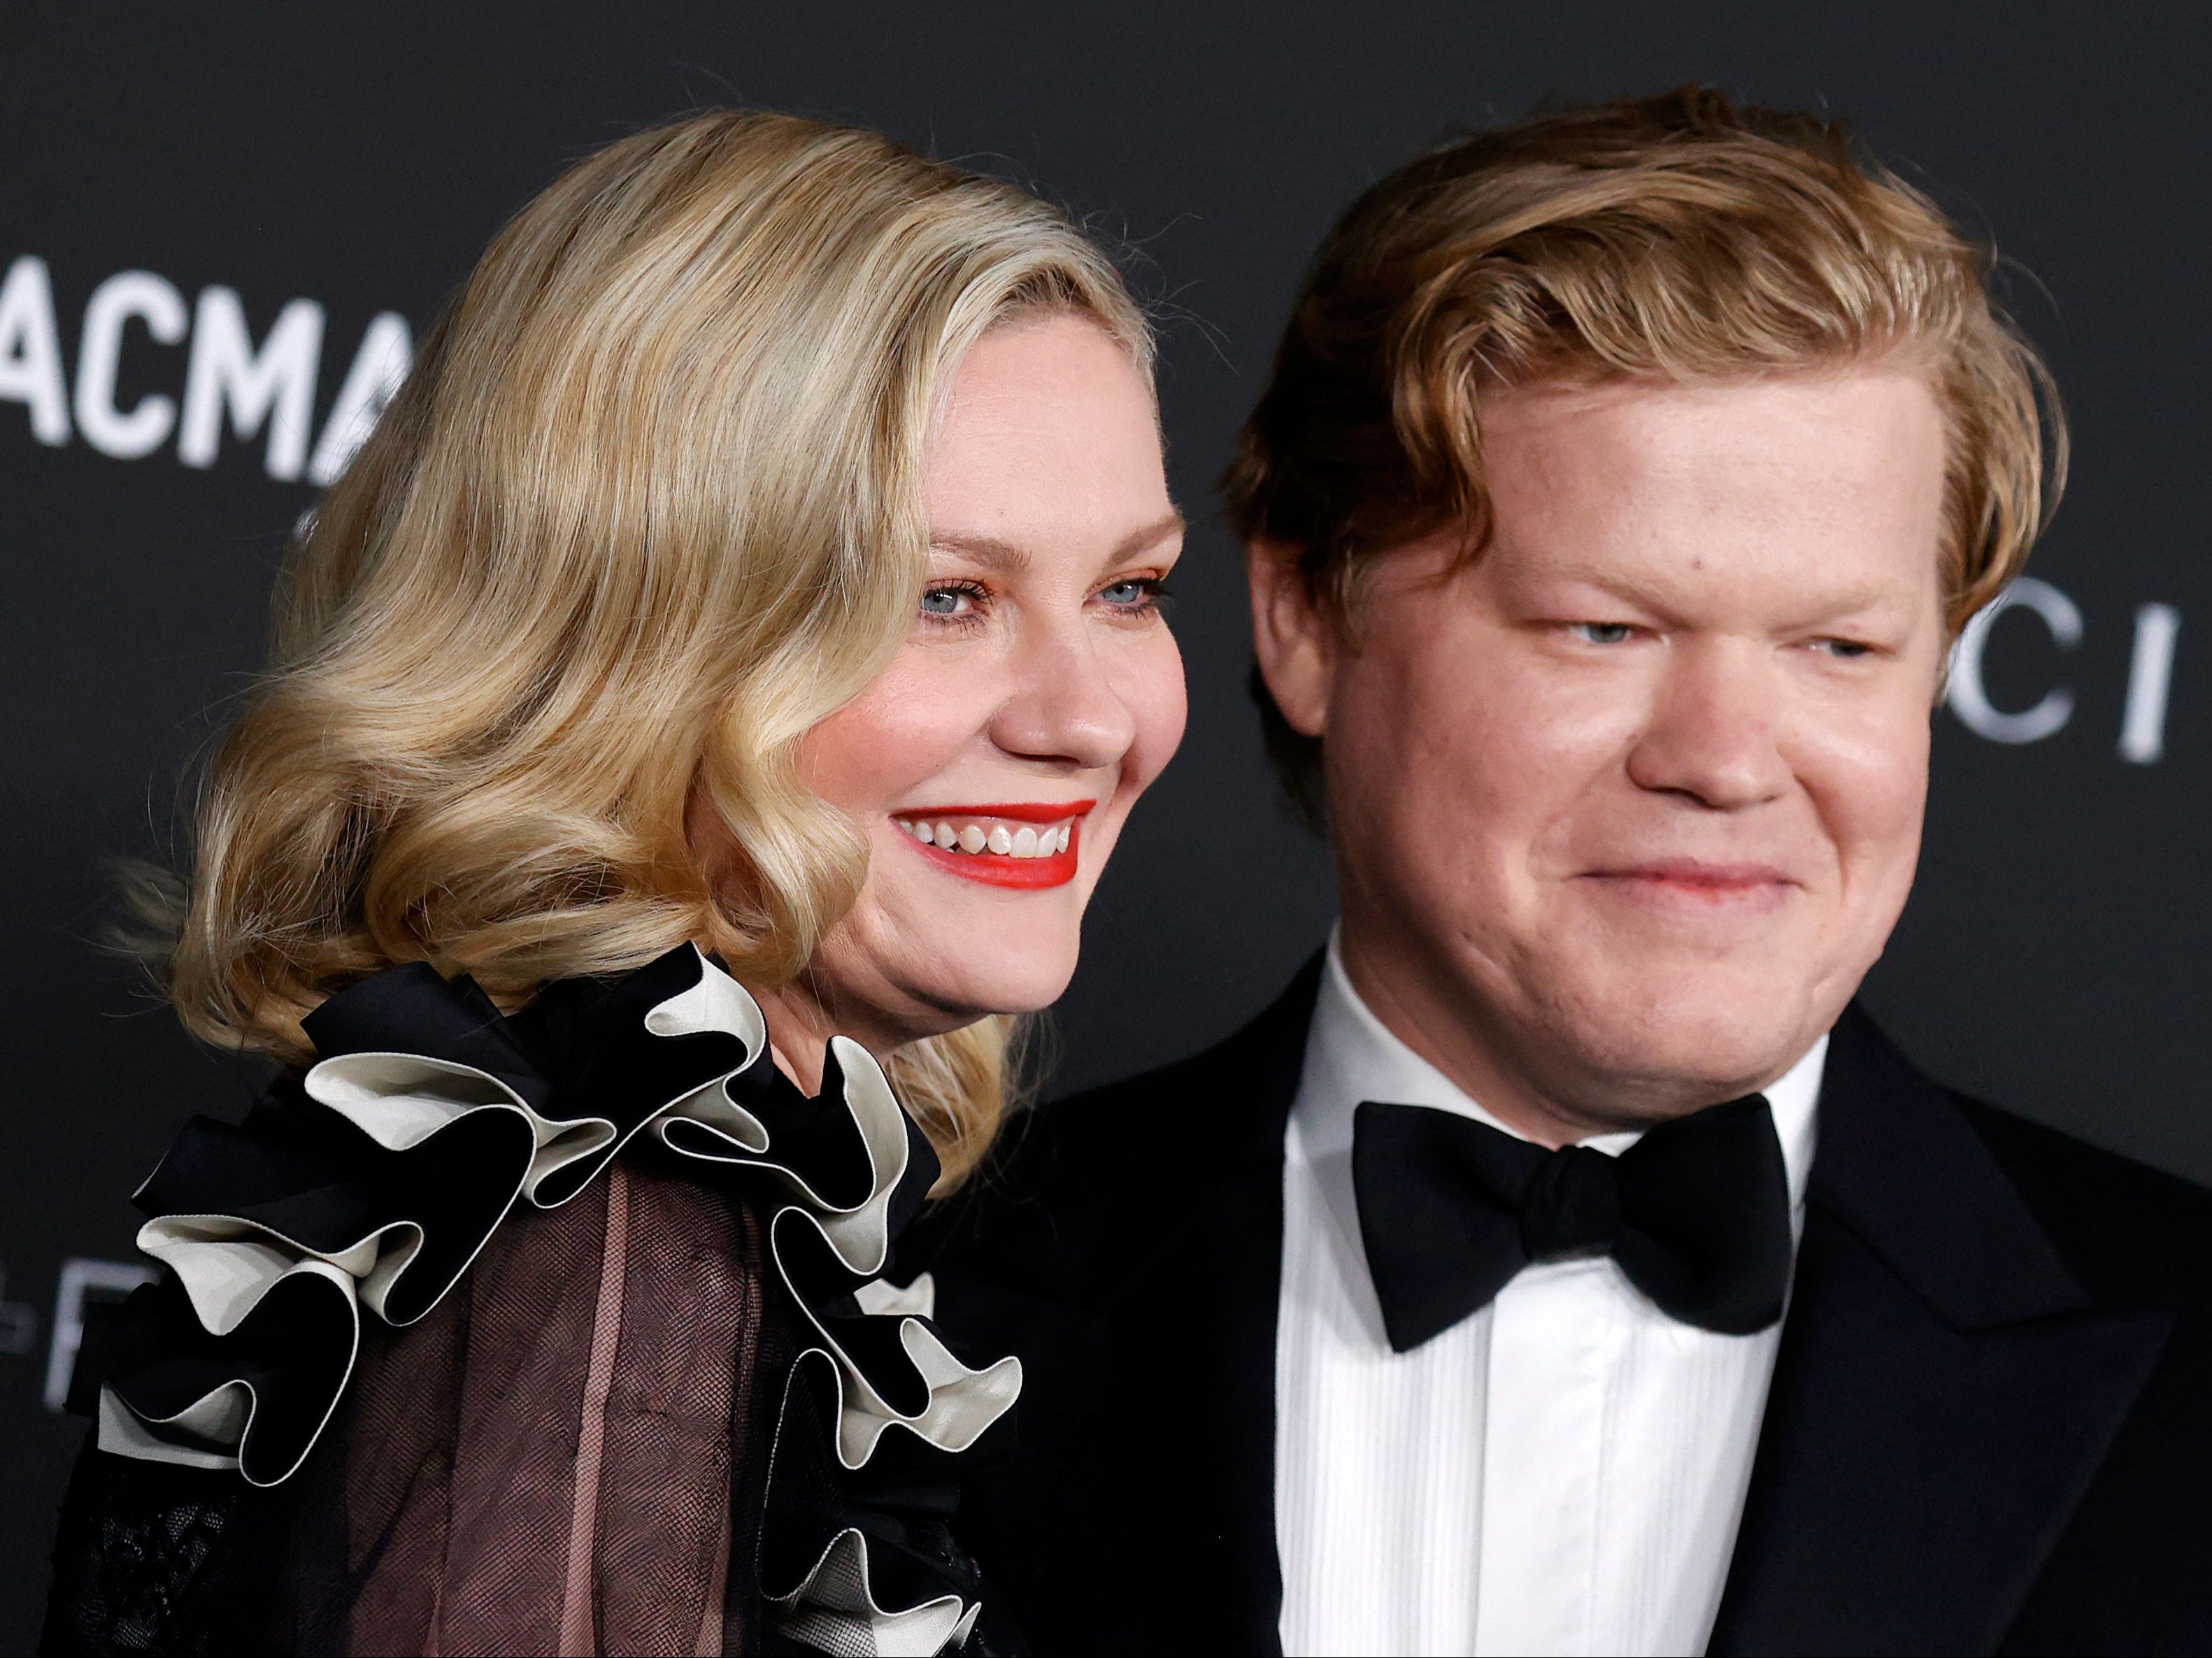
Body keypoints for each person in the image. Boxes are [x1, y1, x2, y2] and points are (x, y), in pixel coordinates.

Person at [922, 88, 2212, 1656]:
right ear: (1305, 623)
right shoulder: (897, 1302)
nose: (1727, 757)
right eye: (1603, 629)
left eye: (1838, 646)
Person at [42, 109, 1187, 1657]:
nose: (1091, 718)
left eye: (1129, 588)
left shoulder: (542, 1188)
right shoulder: (624, 1264)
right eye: (944, 597)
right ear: (643, 637)